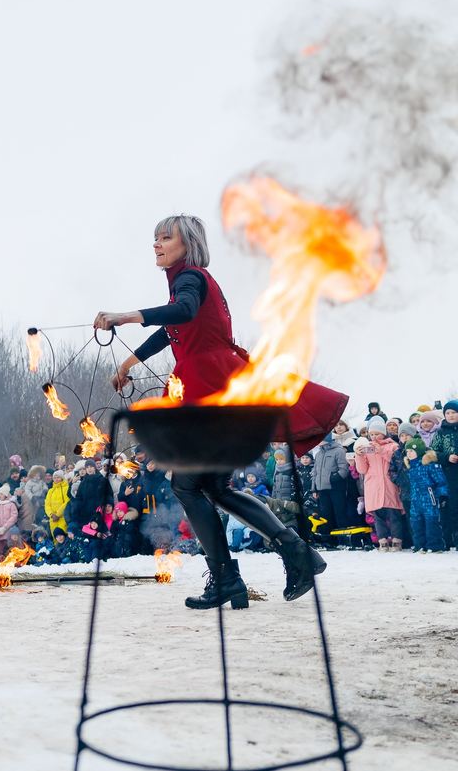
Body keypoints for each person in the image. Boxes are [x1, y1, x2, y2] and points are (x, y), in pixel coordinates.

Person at [95, 214, 342, 608]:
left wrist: (126, 316)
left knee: (187, 486)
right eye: (154, 238)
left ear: (187, 243)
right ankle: (294, 555)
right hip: (216, 383)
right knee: (212, 487)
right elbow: (174, 329)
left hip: (211, 388)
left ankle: (236, 574)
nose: (156, 244)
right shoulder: (187, 281)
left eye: (164, 238)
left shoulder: (189, 278)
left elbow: (184, 312)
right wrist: (130, 363)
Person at [355, 419, 402, 551]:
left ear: (383, 433)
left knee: (394, 514)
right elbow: (362, 469)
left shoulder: (393, 445)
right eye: (372, 434)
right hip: (373, 485)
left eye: (377, 433)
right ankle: (383, 542)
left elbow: (395, 461)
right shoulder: (367, 447)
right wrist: (359, 456)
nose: (374, 437)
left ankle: (397, 541)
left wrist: (380, 451)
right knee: (378, 516)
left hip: (390, 483)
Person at [402, 438, 448, 553]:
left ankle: (434, 545)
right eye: (407, 452)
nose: (409, 454)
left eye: (412, 451)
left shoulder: (430, 465)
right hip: (415, 500)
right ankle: (420, 545)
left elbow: (441, 481)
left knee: (431, 522)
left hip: (429, 499)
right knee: (416, 523)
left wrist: (443, 494)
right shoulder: (411, 467)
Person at [428, 401, 458, 548]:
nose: (451, 415)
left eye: (454, 412)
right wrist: (447, 458)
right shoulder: (441, 432)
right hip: (450, 475)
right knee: (454, 509)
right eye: (448, 413)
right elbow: (432, 452)